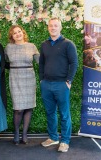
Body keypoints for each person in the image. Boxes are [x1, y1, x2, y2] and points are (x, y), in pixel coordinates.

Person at [39, 18, 78, 152]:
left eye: (56, 26)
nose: (53, 28)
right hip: (46, 84)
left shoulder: (68, 44)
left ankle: (65, 141)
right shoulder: (44, 44)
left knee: (64, 114)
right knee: (50, 112)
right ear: (48, 28)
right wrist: (41, 80)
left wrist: (69, 81)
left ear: (60, 28)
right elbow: (41, 64)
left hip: (62, 84)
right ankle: (53, 137)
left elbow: (74, 63)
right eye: (51, 26)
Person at [5, 25, 39, 145]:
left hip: (29, 78)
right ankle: (16, 132)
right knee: (18, 109)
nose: (18, 34)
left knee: (28, 107)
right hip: (15, 79)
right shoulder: (8, 47)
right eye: (14, 33)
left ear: (23, 32)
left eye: (19, 31)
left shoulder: (32, 46)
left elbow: (40, 62)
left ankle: (24, 134)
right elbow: (3, 63)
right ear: (12, 36)